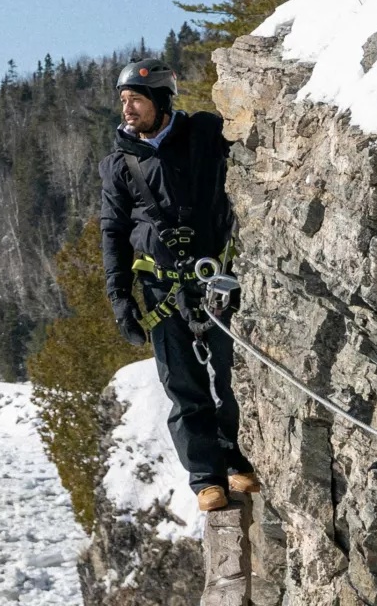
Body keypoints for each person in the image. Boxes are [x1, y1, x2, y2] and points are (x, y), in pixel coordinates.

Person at [97, 59, 260, 513]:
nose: (128, 109)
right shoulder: (118, 166)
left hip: (216, 279)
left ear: (162, 101)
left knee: (228, 378)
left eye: (137, 100)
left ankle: (235, 461)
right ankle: (206, 478)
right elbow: (112, 232)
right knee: (183, 385)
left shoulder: (205, 134)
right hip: (159, 289)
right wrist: (120, 299)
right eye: (124, 101)